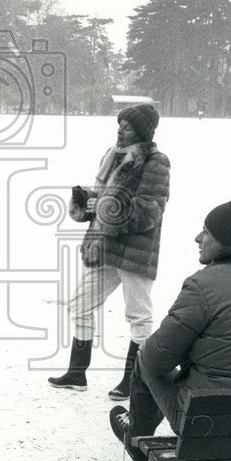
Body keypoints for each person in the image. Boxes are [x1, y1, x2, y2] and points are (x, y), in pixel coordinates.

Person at [109, 199, 231, 461]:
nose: (198, 238)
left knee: (144, 359)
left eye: (206, 232)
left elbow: (157, 360)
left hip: (203, 423)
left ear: (224, 240)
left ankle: (137, 438)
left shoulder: (203, 285)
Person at [48, 103, 170, 400]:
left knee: (138, 315)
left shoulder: (156, 161)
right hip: (105, 246)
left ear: (141, 132)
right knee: (79, 304)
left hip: (136, 250)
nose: (120, 130)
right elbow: (106, 199)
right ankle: (77, 372)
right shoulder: (112, 156)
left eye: (127, 126)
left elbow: (150, 210)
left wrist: (104, 206)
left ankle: (135, 381)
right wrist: (87, 201)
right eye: (119, 124)